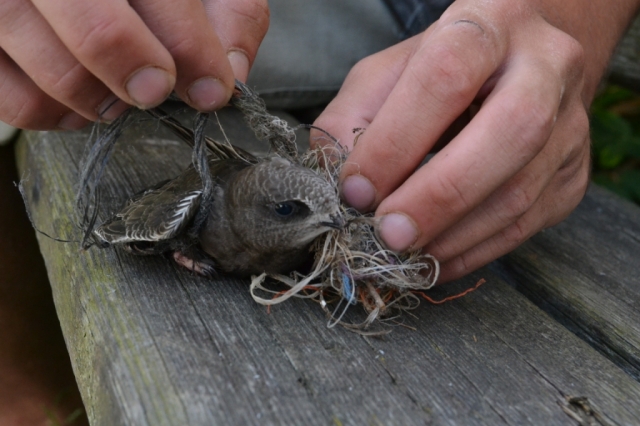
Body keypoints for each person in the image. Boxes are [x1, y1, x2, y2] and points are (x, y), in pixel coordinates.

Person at [0, 0, 638, 422]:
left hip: (380, 70)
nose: (335, 226)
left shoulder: (320, 215)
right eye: (297, 214)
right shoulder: (202, 205)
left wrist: (560, 18)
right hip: (65, 93)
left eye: (329, 216)